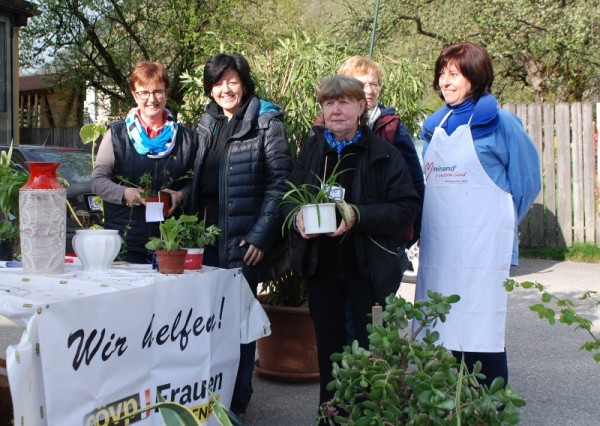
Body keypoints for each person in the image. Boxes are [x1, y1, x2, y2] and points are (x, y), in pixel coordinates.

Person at [284, 75, 420, 417]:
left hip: (367, 271)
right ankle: (329, 417)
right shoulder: (314, 149)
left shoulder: (383, 155)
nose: (336, 109)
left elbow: (406, 210)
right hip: (323, 270)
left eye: (344, 102)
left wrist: (358, 215)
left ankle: (365, 418)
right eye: (329, 103)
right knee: (330, 351)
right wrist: (297, 216)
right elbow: (287, 196)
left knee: (367, 353)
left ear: (362, 106)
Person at [413, 42, 542, 388]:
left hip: (482, 251)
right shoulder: (434, 129)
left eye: (454, 73)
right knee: (441, 328)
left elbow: (527, 183)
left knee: (481, 330)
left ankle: (489, 406)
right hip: (441, 249)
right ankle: (451, 406)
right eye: (442, 73)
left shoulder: (501, 123)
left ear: (475, 75)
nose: (445, 81)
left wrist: (499, 229)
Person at [192, 53, 292, 419]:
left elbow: (281, 182)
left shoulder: (267, 123)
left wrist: (261, 236)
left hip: (243, 244)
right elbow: (197, 182)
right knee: (207, 325)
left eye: (232, 81)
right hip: (207, 245)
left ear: (245, 83)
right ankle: (209, 400)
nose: (225, 89)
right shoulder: (207, 124)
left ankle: (236, 405)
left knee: (239, 326)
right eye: (218, 83)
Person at [91, 60, 198, 264]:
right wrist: (125, 194)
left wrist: (182, 195)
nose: (152, 99)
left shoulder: (186, 138)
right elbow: (98, 181)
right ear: (134, 94)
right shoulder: (116, 135)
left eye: (158, 91)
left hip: (173, 245)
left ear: (166, 92)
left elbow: (197, 181)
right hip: (125, 244)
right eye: (144, 92)